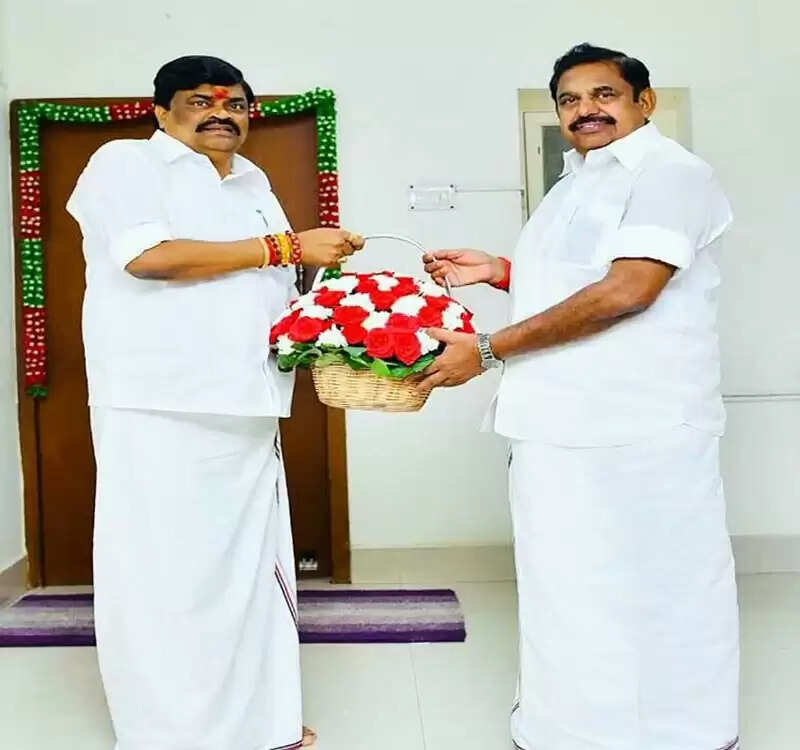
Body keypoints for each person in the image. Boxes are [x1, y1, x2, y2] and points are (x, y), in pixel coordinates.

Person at [422, 43, 739, 750]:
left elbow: (628, 290)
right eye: (570, 100)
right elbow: (581, 279)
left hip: (640, 425)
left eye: (604, 94)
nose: (585, 110)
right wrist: (501, 269)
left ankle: (682, 736)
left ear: (643, 102)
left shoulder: (671, 175)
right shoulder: (573, 183)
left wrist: (487, 349)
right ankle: (572, 731)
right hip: (557, 423)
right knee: (567, 587)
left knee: (660, 587)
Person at [66, 55, 363, 750]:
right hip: (158, 405)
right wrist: (286, 245)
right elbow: (149, 257)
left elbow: (273, 280)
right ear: (161, 111)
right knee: (164, 574)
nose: (221, 113)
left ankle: (260, 723)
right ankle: (170, 733)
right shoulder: (126, 162)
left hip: (249, 403)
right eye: (200, 101)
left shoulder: (254, 182)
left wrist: (341, 300)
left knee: (249, 573)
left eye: (234, 104)